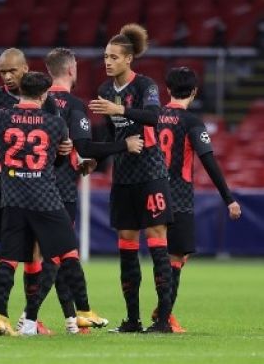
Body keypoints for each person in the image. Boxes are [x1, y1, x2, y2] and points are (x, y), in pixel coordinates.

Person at [0, 71, 81, 336]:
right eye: (2, 71)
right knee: (63, 253)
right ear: (44, 93)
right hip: (33, 195)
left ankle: (13, 318)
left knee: (13, 257)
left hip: (12, 195)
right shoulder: (54, 122)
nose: (7, 75)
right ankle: (69, 315)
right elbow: (57, 163)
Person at [36, 47, 147, 333]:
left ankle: (73, 319)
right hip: (60, 189)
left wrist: (80, 160)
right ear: (72, 70)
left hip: (29, 185)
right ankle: (31, 317)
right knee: (59, 254)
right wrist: (124, 145)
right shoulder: (73, 105)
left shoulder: (35, 100)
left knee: (49, 254)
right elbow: (84, 146)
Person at [89, 23, 174, 333]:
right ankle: (132, 320)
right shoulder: (104, 90)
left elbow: (153, 117)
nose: (107, 62)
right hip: (123, 175)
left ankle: (163, 319)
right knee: (126, 243)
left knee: (156, 240)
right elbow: (113, 134)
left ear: (128, 59)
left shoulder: (145, 86)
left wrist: (118, 108)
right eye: (105, 56)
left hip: (151, 172)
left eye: (113, 57)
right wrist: (97, 159)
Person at [154, 67, 241, 332]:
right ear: (194, 91)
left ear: (167, 90)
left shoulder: (152, 117)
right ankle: (165, 317)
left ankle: (156, 312)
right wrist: (229, 199)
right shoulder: (192, 123)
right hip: (178, 197)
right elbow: (209, 162)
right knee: (176, 257)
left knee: (159, 255)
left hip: (151, 194)